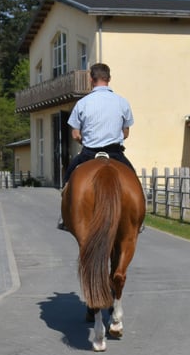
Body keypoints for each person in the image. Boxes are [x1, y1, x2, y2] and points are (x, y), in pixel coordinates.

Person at [58, 62, 141, 230]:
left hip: (89, 153)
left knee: (67, 182)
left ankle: (64, 217)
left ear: (91, 79)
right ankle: (138, 219)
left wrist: (85, 139)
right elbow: (126, 133)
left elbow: (75, 134)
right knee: (135, 183)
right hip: (115, 153)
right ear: (109, 79)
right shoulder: (122, 102)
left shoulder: (82, 103)